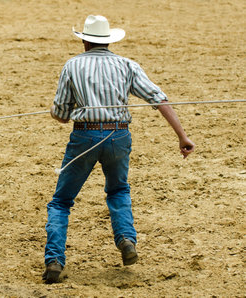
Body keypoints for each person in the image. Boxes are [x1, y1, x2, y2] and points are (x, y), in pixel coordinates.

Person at [43, 15, 195, 283]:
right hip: (119, 134)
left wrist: (57, 113)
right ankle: (126, 239)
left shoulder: (72, 66)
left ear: (84, 40)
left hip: (84, 137)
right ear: (108, 40)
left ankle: (55, 260)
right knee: (118, 190)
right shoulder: (126, 65)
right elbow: (158, 98)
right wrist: (182, 136)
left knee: (61, 201)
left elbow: (62, 114)